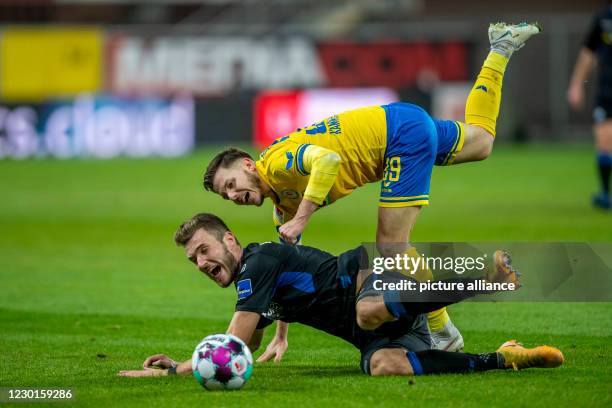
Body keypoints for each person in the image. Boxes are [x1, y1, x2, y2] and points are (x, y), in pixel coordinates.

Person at [202, 22, 541, 352]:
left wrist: (303, 218)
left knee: (392, 245)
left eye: (231, 183)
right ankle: (500, 47)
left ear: (249, 165)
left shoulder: (276, 165)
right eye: (224, 194)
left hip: (398, 137)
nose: (232, 196)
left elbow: (327, 162)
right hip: (399, 121)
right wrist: (281, 334)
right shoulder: (281, 206)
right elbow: (284, 270)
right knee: (480, 142)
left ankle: (443, 333)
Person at [118, 213, 563, 378]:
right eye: (192, 260)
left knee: (368, 312)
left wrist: (178, 371)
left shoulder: (256, 264)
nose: (200, 263)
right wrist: (279, 335)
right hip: (378, 325)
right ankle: (503, 359)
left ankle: (486, 278)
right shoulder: (255, 279)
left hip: (371, 273)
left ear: (230, 240)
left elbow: (233, 342)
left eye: (203, 250)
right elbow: (247, 345)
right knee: (383, 365)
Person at [567, 1, 612, 210]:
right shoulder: (603, 19)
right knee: (604, 139)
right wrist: (577, 85)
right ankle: (605, 193)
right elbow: (588, 53)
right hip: (607, 90)